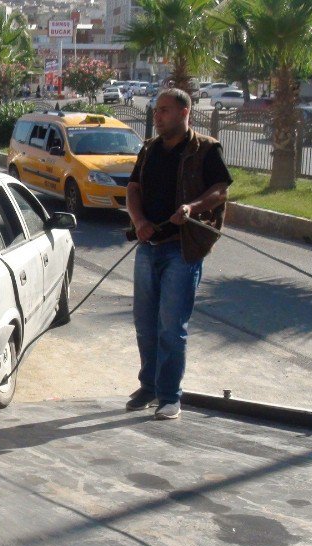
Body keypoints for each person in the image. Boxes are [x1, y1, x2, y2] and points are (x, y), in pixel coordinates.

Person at [124, 88, 232, 420]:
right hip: (148, 247)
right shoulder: (149, 149)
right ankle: (149, 386)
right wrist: (139, 220)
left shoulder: (205, 149)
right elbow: (133, 189)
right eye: (156, 111)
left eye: (164, 111)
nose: (157, 116)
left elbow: (219, 190)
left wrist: (191, 207)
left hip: (182, 250)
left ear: (185, 113)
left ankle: (170, 396)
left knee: (171, 326)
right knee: (145, 323)